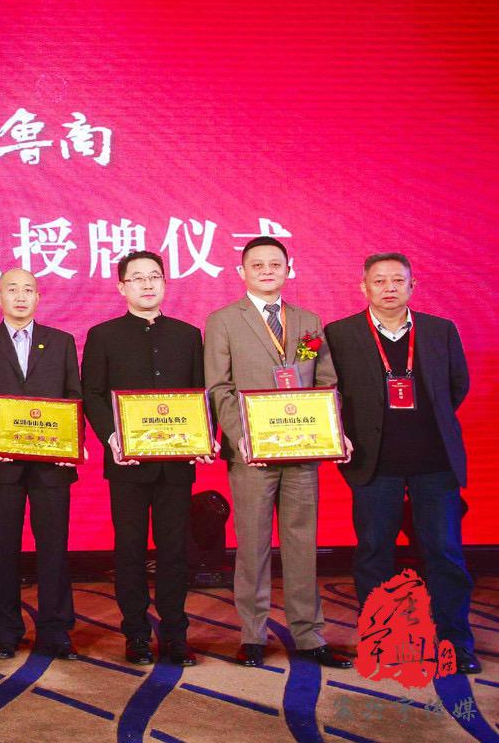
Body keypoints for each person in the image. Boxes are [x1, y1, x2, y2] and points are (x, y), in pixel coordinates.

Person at [324, 253, 479, 674]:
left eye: (398, 280)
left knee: (445, 552)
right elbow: (330, 393)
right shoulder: (340, 334)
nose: (389, 287)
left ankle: (456, 641)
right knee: (374, 553)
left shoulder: (440, 330)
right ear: (364, 287)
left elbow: (457, 385)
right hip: (375, 463)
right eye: (379, 281)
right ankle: (381, 642)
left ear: (413, 285)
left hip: (435, 461)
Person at [204, 236, 353, 669]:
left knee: (303, 543)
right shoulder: (223, 321)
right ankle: (253, 635)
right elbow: (219, 387)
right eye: (258, 265)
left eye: (275, 264)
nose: (267, 271)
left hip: (302, 450)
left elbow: (325, 383)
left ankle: (309, 635)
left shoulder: (308, 321)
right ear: (242, 272)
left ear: (289, 269)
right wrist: (240, 436)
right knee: (252, 544)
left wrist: (330, 429)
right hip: (251, 453)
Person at [81, 251, 207, 667]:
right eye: (137, 278)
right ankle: (135, 633)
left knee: (174, 550)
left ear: (165, 283)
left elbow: (199, 393)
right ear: (122, 287)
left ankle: (175, 634)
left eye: (155, 276)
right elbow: (92, 394)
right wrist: (112, 438)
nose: (147, 284)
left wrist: (202, 437)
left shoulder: (188, 335)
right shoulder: (103, 335)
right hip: (127, 463)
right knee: (130, 549)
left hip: (176, 463)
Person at [0, 267, 84, 661]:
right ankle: (5, 630)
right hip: (3, 462)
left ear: (38, 297)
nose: (20, 296)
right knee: (1, 548)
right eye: (12, 289)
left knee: (54, 549)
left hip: (52, 465)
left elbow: (73, 397)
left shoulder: (61, 341)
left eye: (28, 290)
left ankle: (55, 630)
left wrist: (71, 444)